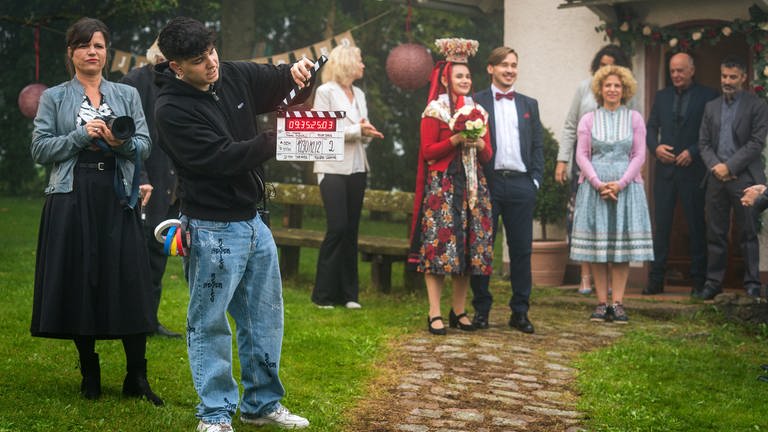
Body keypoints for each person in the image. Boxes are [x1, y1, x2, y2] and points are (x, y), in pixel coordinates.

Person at [154, 17, 313, 431]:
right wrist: (279, 137)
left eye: (211, 50)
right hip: (210, 228)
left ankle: (261, 405)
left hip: (254, 222)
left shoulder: (232, 73)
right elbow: (222, 158)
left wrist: (300, 76)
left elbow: (281, 84)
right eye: (197, 59)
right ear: (176, 67)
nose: (211, 63)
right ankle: (215, 414)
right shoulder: (171, 109)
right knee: (209, 323)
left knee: (265, 318)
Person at [30, 17, 162, 405]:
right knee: (79, 280)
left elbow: (144, 144)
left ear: (107, 53)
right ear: (70, 52)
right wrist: (78, 136)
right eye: (84, 45)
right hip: (71, 197)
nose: (92, 52)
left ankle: (136, 376)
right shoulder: (54, 97)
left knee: (129, 279)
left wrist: (117, 143)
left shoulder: (126, 94)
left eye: (99, 46)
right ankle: (90, 371)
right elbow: (39, 150)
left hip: (117, 195)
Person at [408, 38, 493, 336]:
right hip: (443, 187)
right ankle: (434, 312)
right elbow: (428, 151)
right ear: (446, 78)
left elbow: (488, 155)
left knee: (468, 250)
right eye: (459, 76)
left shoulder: (478, 111)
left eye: (468, 76)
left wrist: (479, 141)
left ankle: (459, 309)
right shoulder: (435, 111)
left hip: (472, 186)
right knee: (440, 249)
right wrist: (454, 140)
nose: (465, 80)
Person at [570, 65, 654, 324]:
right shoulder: (588, 119)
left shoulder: (635, 118)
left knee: (620, 249)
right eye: (608, 85)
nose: (613, 89)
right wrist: (597, 183)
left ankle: (617, 303)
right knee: (598, 248)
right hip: (595, 188)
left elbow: (639, 154)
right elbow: (582, 155)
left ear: (624, 89)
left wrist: (620, 183)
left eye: (617, 85)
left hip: (626, 188)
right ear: (600, 89)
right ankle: (600, 303)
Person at [469, 46, 543, 334]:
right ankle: (481, 310)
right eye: (504, 65)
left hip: (522, 184)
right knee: (482, 248)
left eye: (514, 65)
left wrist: (535, 180)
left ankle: (520, 311)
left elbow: (538, 145)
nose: (510, 70)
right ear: (491, 68)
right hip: (488, 183)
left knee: (522, 251)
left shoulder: (528, 104)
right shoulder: (475, 102)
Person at [311, 45, 383, 309]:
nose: (363, 65)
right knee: (337, 227)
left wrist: (367, 133)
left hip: (357, 167)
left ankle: (349, 295)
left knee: (351, 230)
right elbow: (324, 132)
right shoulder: (325, 92)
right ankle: (323, 295)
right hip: (331, 168)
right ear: (348, 63)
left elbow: (359, 130)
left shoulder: (360, 94)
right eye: (360, 60)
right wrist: (357, 130)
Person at [556, 45, 631, 296]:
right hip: (585, 161)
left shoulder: (625, 93)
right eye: (602, 64)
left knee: (609, 223)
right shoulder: (583, 88)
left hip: (617, 167)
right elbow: (569, 126)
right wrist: (562, 160)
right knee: (583, 219)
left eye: (612, 65)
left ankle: (610, 280)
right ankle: (585, 276)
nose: (606, 70)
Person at [119, 38, 181, 338]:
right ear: (157, 57)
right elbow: (127, 137)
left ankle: (149, 321)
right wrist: (140, 176)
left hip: (172, 182)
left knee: (159, 253)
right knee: (137, 255)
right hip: (144, 181)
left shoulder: (181, 83)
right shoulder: (134, 82)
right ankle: (131, 320)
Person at [644, 52, 718, 296]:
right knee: (661, 226)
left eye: (681, 70)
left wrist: (694, 152)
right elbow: (651, 127)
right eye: (673, 70)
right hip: (665, 171)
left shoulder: (708, 96)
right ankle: (656, 280)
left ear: (692, 70)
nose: (676, 75)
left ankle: (699, 281)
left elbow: (713, 133)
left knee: (697, 226)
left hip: (693, 170)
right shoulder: (661, 96)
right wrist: (656, 148)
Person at [696, 55, 768, 300]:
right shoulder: (711, 107)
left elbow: (756, 143)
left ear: (744, 77)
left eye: (733, 77)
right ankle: (713, 283)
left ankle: (752, 283)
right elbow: (703, 143)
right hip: (716, 178)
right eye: (724, 76)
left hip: (744, 178)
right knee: (715, 233)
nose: (727, 81)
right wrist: (716, 166)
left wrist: (731, 166)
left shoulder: (756, 105)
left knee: (747, 232)